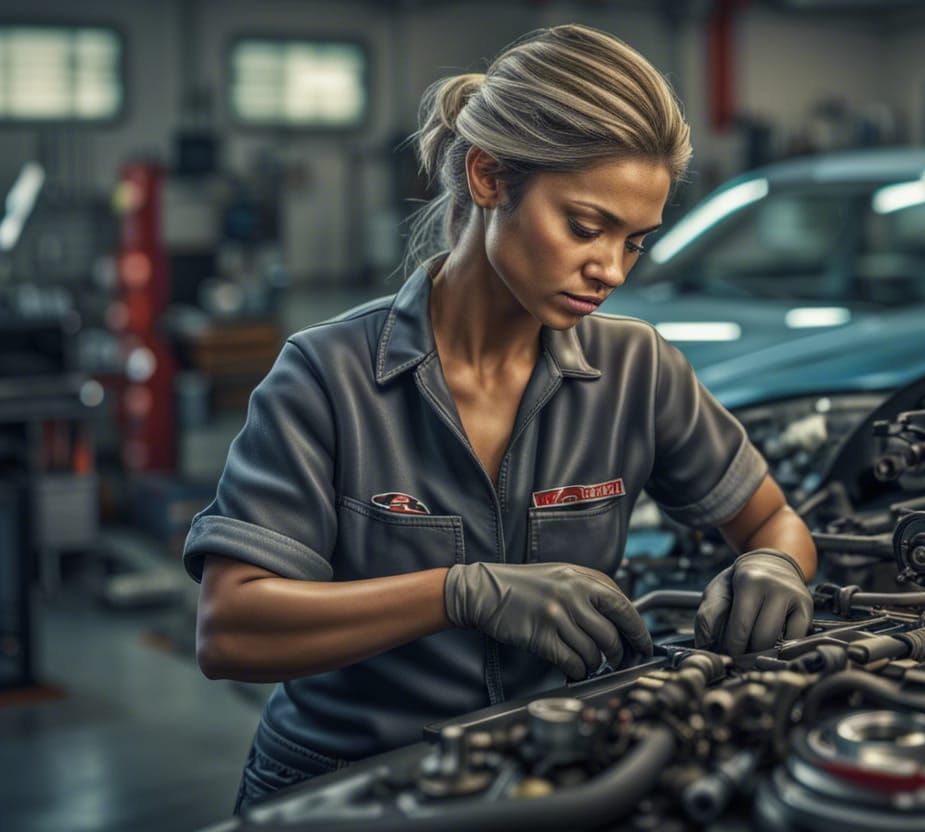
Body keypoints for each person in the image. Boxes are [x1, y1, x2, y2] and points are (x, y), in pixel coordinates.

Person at [185, 24, 817, 812]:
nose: (611, 270)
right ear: (488, 176)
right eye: (584, 227)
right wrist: (461, 592)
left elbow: (774, 521)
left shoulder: (638, 369)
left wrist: (775, 566)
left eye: (635, 242)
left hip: (549, 772)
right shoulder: (327, 376)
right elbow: (231, 629)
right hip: (347, 783)